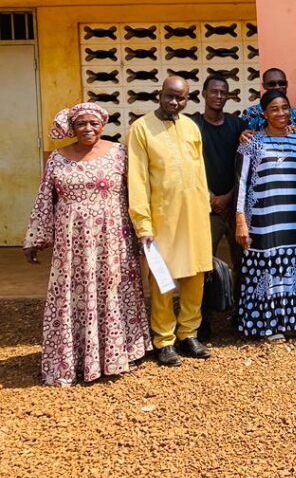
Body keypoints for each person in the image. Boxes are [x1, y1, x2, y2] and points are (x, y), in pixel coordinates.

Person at [23, 103, 150, 386]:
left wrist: (145, 230)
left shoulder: (119, 153)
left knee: (112, 291)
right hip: (73, 246)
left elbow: (137, 193)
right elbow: (45, 198)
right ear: (72, 127)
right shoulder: (57, 159)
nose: (88, 129)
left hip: (113, 241)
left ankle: (118, 354)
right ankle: (75, 359)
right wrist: (35, 237)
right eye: (81, 124)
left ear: (103, 125)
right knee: (75, 295)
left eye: (94, 123)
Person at [127, 76, 213, 367]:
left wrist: (205, 208)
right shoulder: (141, 129)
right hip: (161, 217)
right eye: (170, 96)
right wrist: (143, 224)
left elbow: (199, 171)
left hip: (194, 215)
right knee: (162, 278)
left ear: (188, 99)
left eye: (181, 98)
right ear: (159, 94)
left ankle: (189, 334)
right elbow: (137, 179)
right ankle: (164, 340)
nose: (175, 102)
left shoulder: (191, 127)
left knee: (195, 276)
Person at [234, 91, 296, 342]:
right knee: (267, 271)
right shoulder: (251, 143)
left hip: (294, 220)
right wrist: (241, 220)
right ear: (264, 113)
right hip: (263, 222)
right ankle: (270, 325)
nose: (281, 113)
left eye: (284, 108)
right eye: (274, 108)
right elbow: (241, 182)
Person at [191, 75, 245, 340]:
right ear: (203, 94)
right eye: (214, 91)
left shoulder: (237, 125)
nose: (219, 96)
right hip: (206, 208)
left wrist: (229, 197)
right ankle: (203, 321)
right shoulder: (193, 125)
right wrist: (212, 197)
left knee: (242, 263)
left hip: (234, 207)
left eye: (224, 92)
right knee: (203, 265)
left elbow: (245, 165)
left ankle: (241, 315)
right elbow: (190, 165)